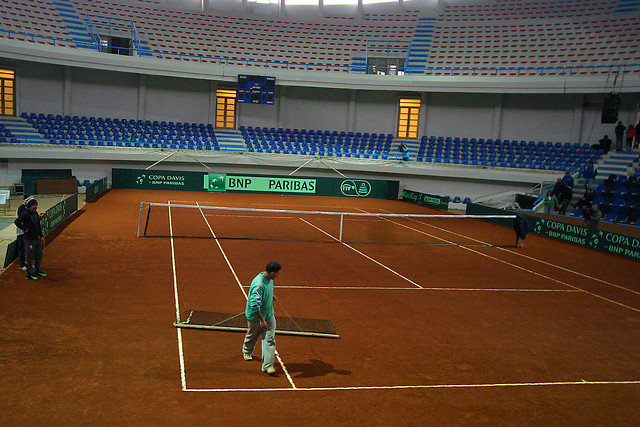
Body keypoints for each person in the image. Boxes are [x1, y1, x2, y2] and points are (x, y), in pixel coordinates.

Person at [242, 261, 282, 375]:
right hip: (256, 317)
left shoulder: (269, 279)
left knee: (269, 339)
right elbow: (254, 305)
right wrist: (262, 321)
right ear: (272, 273)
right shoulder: (258, 284)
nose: (277, 276)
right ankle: (247, 351)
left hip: (269, 314)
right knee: (253, 334)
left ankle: (267, 366)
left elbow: (265, 293)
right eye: (277, 273)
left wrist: (270, 297)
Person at [14, 198, 47, 280]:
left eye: (36, 205)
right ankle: (29, 274)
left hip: (37, 238)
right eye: (33, 205)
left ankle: (38, 271)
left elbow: (38, 225)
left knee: (39, 255)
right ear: (29, 206)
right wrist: (25, 229)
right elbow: (17, 222)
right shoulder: (25, 214)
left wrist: (41, 236)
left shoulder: (35, 213)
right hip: (29, 239)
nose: (35, 207)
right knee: (30, 257)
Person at [15, 194, 34, 271]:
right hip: (21, 232)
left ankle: (28, 263)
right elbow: (20, 221)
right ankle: (22, 264)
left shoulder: (28, 208)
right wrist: (25, 228)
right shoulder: (21, 208)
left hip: (27, 232)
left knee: (28, 249)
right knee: (22, 248)